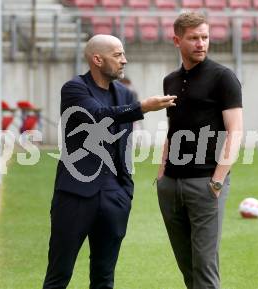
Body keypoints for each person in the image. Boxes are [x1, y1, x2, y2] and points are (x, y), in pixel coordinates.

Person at [42, 34, 176, 289]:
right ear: (97, 59)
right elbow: (98, 117)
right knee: (59, 274)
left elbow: (125, 143)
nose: (124, 60)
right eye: (117, 55)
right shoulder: (74, 89)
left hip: (114, 195)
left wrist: (126, 190)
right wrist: (143, 107)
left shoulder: (125, 94)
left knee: (104, 278)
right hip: (75, 194)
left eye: (123, 54)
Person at [156, 12, 243, 289]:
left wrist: (217, 181)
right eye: (193, 38)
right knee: (187, 268)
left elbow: (235, 131)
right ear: (176, 40)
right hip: (170, 185)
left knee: (205, 269)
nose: (201, 43)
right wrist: (161, 175)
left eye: (204, 37)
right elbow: (173, 130)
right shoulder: (169, 80)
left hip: (205, 184)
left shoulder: (223, 78)